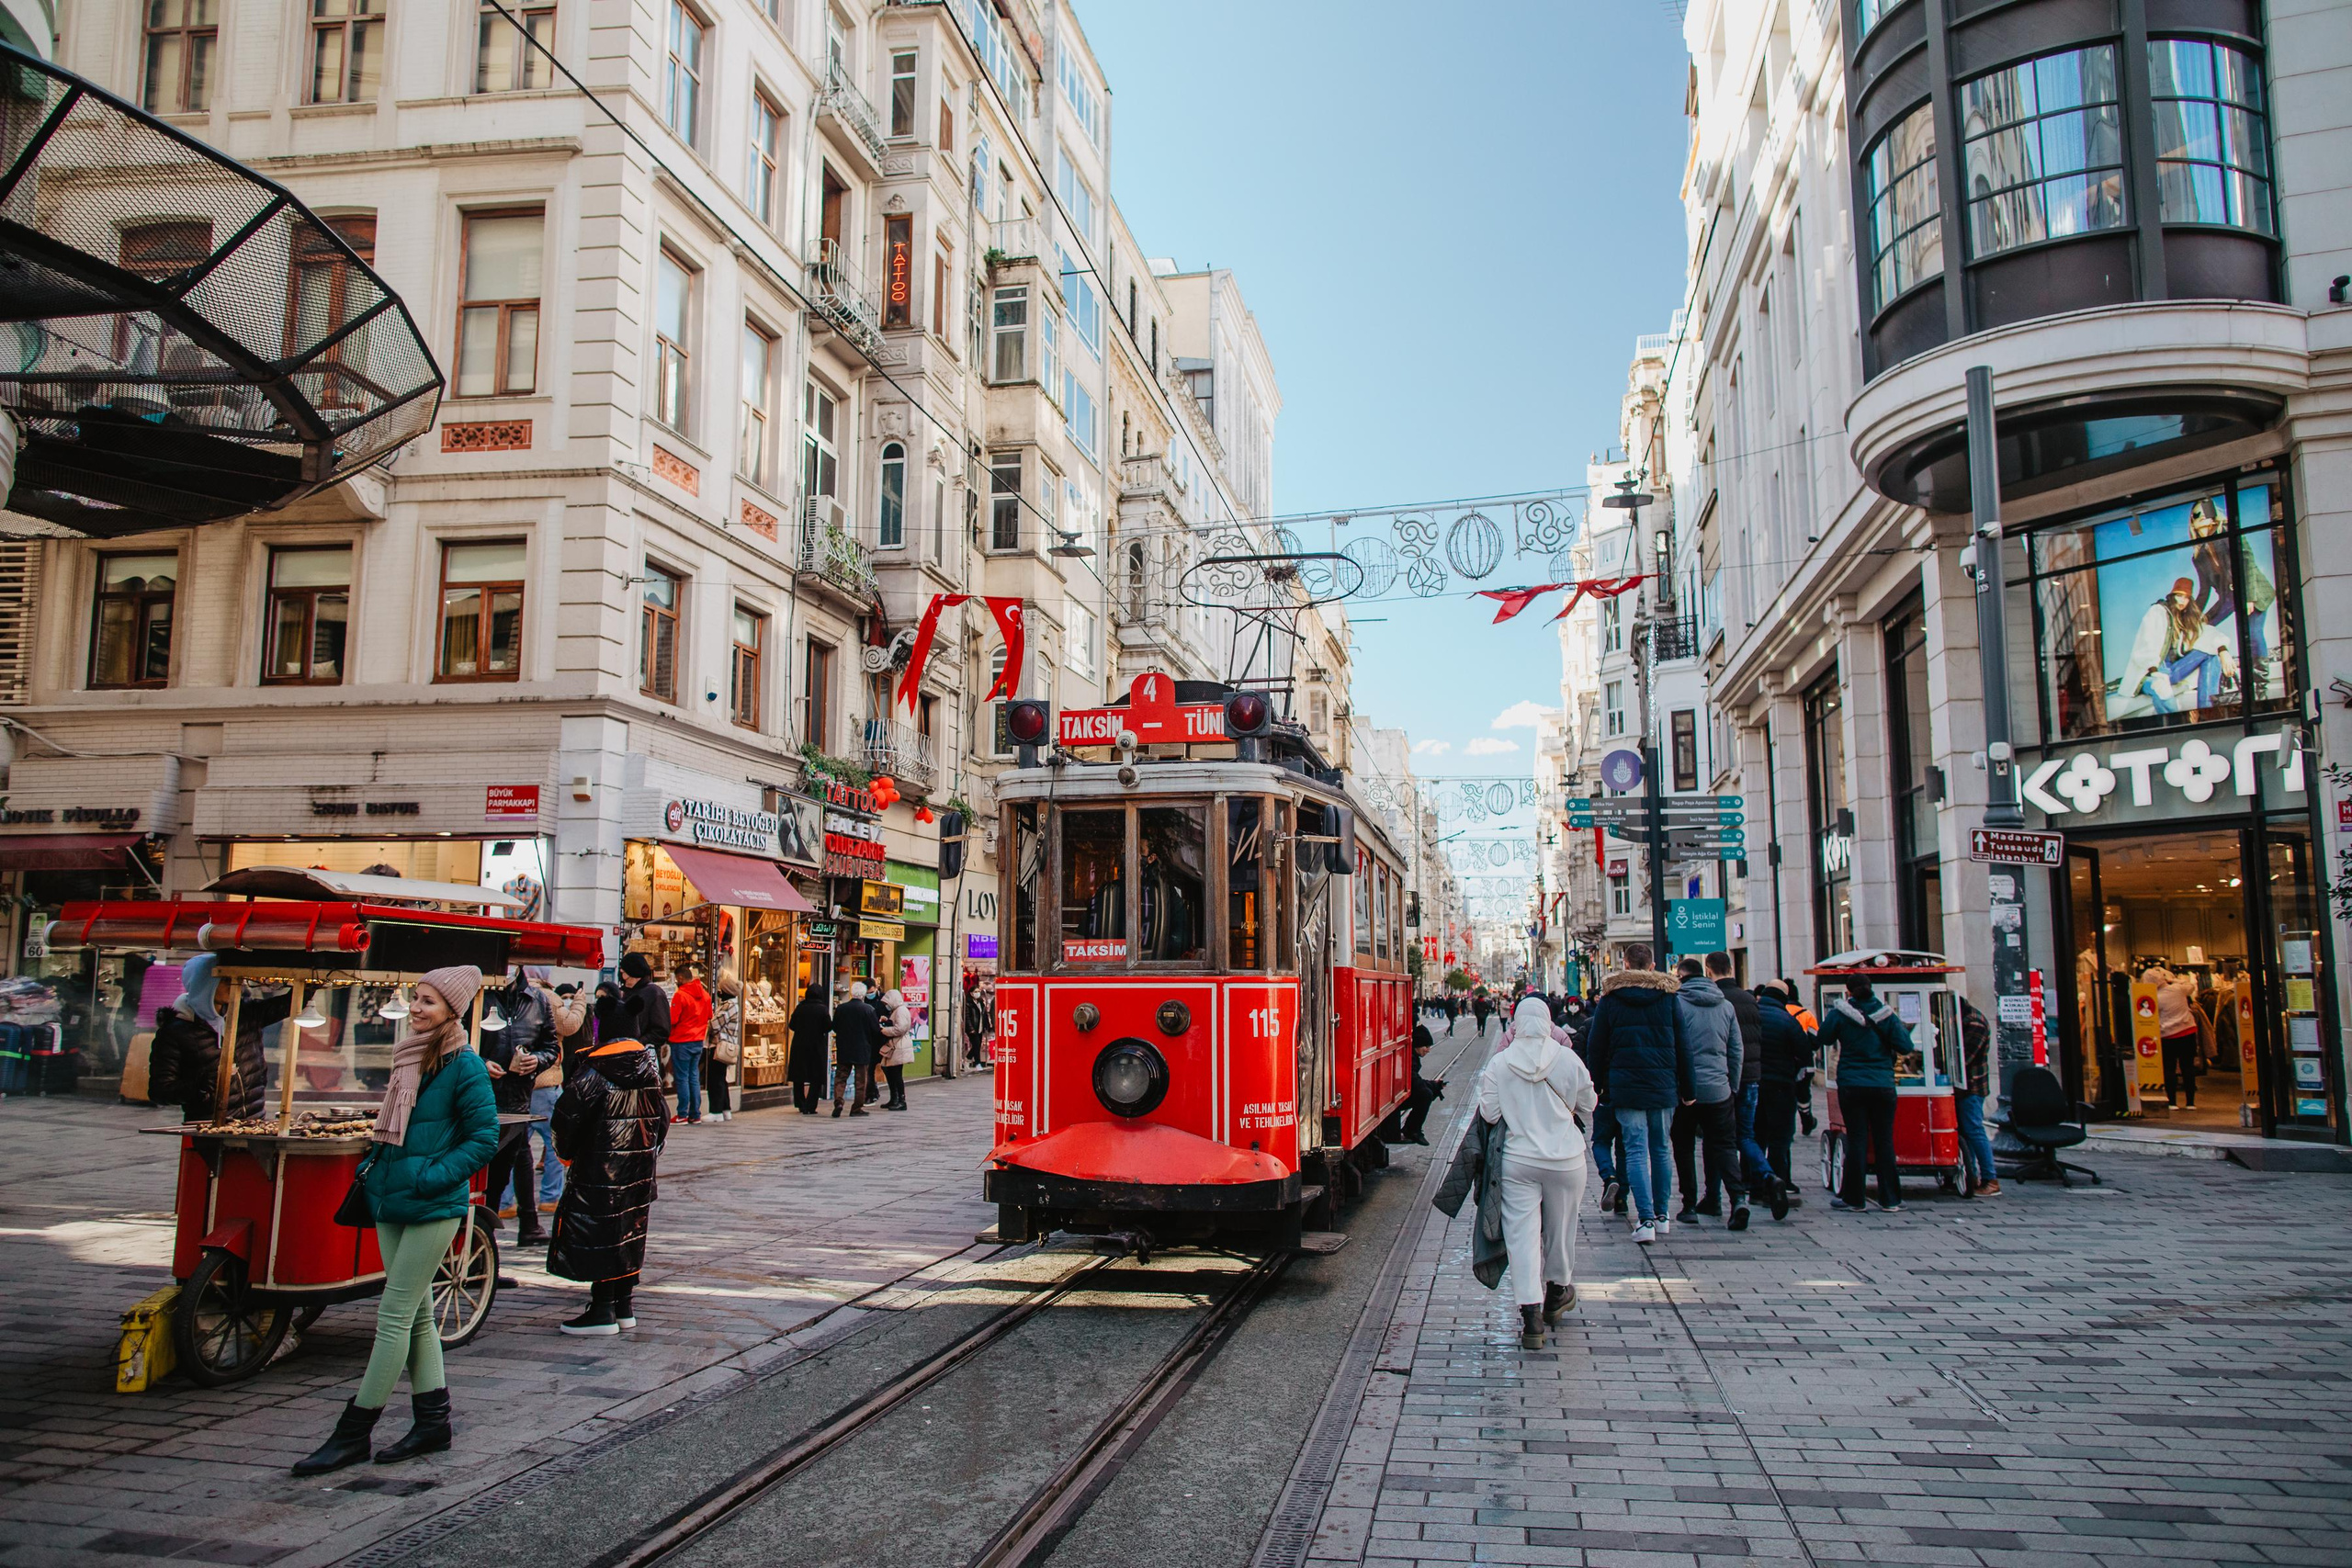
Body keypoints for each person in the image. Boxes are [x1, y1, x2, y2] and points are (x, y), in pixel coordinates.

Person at [293, 966, 498, 1475]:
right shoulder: (410, 1055)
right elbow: (397, 1126)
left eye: (429, 1001)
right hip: (389, 1196)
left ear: (453, 1008)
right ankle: (433, 1423)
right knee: (420, 1316)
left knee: (393, 1316)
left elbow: (484, 1138)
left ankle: (353, 1433)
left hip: (431, 1204)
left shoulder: (464, 1065)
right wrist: (375, 1167)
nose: (418, 1008)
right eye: (416, 998)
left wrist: (431, 1177)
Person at [1477, 997, 1598, 1349]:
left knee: (1521, 1236)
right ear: (1548, 1023)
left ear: (1515, 1024)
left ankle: (1530, 1315)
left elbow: (1489, 1113)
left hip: (1518, 1161)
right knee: (1561, 1232)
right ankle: (1558, 1291)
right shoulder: (1568, 1058)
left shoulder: (1500, 1062)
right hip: (1566, 1161)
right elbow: (1589, 1104)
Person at [548, 1029, 671, 1334]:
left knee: (600, 1234)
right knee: (628, 1232)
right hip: (638, 1171)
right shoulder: (648, 1071)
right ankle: (623, 1305)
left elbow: (565, 1120)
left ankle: (602, 1309)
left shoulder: (593, 1074)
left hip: (598, 1171)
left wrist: (567, 1154)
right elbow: (663, 1122)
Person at [1583, 943, 1691, 1245]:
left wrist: (1598, 1084)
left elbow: (1596, 1045)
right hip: (1663, 1085)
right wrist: (1688, 1088)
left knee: (1634, 1150)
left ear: (1625, 963)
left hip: (1626, 1085)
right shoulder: (1669, 999)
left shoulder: (1611, 999)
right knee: (1660, 1149)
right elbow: (1683, 1044)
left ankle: (1645, 1220)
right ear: (1653, 964)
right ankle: (1662, 1215)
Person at [1672, 955, 1765, 1227]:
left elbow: (1673, 1047)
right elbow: (1736, 1050)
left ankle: (1689, 1204)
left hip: (1685, 1091)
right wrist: (1732, 1084)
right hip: (1719, 1087)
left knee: (1684, 1146)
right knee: (1724, 1145)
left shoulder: (1677, 1004)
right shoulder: (1724, 1006)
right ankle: (1737, 1199)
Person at [1817, 976, 1910, 1213]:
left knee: (1857, 1140)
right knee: (1884, 1140)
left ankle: (1854, 1198)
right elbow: (1906, 1046)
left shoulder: (1840, 1013)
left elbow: (1823, 1038)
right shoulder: (1886, 1015)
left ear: (1850, 991)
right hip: (1883, 1084)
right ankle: (1890, 1199)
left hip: (1852, 1084)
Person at [480, 970, 554, 1247]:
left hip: (518, 1098)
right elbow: (460, 1041)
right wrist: (481, 1063)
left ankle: (491, 1241)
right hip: (482, 1098)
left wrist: (536, 1060)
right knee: (488, 1171)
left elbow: (551, 1045)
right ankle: (485, 1242)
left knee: (513, 1161)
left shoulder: (537, 999)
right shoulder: (480, 994)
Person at [147, 952, 266, 1123]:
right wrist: (200, 1087)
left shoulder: (244, 1014)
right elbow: (160, 1091)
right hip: (208, 1128)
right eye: (225, 980)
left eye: (237, 980)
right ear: (206, 985)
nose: (234, 986)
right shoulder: (175, 1032)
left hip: (254, 1124)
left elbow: (288, 1004)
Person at [1708, 953, 1777, 1216]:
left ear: (1710, 971)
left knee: (1720, 1139)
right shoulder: (1750, 999)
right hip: (1751, 1077)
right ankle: (1769, 1176)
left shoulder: (1718, 1000)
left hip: (1725, 1078)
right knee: (1746, 1135)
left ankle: (1716, 1195)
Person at [2124, 577, 2233, 716]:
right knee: (2161, 687)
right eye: (2179, 596)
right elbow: (2146, 642)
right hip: (2149, 673)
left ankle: (2207, 712)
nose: (2182, 601)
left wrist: (2223, 650)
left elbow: (2207, 632)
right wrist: (2154, 670)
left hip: (2171, 671)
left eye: (2186, 598)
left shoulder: (2185, 619)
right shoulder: (2158, 612)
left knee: (2212, 656)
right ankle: (2178, 725)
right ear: (2172, 596)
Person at [1752, 980, 1813, 1200]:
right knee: (1779, 1138)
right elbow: (1805, 1053)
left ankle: (1755, 1185)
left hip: (1753, 1084)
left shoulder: (1751, 1016)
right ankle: (1777, 1182)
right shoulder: (1788, 1020)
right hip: (1780, 1086)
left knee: (1756, 1135)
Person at [1955, 995, 2001, 1197]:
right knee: (1966, 1130)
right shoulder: (1964, 1020)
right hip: (1965, 1086)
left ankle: (1990, 1179)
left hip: (1972, 1086)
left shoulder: (1975, 1023)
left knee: (1973, 1129)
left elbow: (1965, 1057)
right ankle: (1970, 1176)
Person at [2147, 964, 2204, 1110]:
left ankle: (2172, 1102)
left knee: (2169, 1068)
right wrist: (2175, 980)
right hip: (2187, 1031)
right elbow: (2190, 986)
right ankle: (2190, 1102)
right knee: (2188, 1068)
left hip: (2166, 1035)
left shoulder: (2153, 997)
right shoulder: (2178, 990)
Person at [667, 962, 711, 1126]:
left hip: (682, 1040)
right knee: (693, 1077)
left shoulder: (681, 995)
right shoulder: (705, 995)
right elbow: (709, 1016)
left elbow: (673, 1019)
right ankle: (695, 1114)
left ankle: (682, 1114)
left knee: (682, 1078)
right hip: (698, 1040)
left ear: (680, 978)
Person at [831, 981, 881, 1118]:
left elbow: (835, 1026)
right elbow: (875, 1030)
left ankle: (839, 1102)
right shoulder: (868, 1010)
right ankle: (856, 1107)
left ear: (852, 993)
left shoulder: (841, 1009)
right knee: (861, 1080)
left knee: (841, 1077)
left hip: (844, 1048)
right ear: (863, 994)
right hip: (862, 1049)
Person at [786, 984, 833, 1113]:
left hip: (799, 1045)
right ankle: (811, 1106)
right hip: (816, 1045)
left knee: (799, 1076)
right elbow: (828, 1027)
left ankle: (800, 1103)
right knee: (816, 1076)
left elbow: (792, 1025)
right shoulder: (822, 1009)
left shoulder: (800, 1007)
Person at [1398, 1023, 1443, 1144]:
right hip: (1395, 1095)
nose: (1428, 1050)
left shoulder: (1412, 1055)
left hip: (1397, 1092)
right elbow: (1414, 1082)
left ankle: (1412, 1129)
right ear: (1418, 1045)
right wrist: (1432, 1086)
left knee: (1427, 1091)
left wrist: (1433, 1085)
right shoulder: (1409, 1057)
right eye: (1426, 1046)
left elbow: (1415, 1080)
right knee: (1425, 1094)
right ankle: (1412, 1129)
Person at [703, 968, 738, 1123]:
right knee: (721, 1078)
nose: (718, 992)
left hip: (719, 1045)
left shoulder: (727, 1006)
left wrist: (708, 1023)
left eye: (720, 990)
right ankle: (725, 1109)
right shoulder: (733, 1005)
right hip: (725, 1046)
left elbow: (715, 1025)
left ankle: (715, 1110)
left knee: (715, 1078)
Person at [876, 987, 915, 1111]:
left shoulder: (901, 1011)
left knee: (896, 1073)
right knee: (890, 1070)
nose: (886, 1006)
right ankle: (894, 1098)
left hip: (899, 1046)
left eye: (887, 1003)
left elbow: (900, 1029)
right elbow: (896, 1025)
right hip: (896, 1046)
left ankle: (901, 1100)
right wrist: (887, 1021)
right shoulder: (897, 1010)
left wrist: (884, 1030)